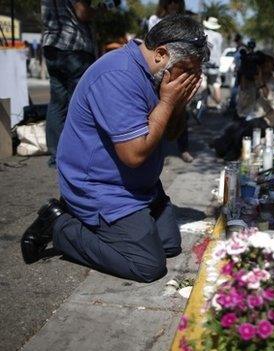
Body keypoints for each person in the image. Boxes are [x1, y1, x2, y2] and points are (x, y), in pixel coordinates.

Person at [20, 15, 206, 283]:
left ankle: (109, 224)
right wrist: (166, 103)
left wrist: (177, 104)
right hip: (101, 187)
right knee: (147, 264)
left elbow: (173, 134)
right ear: (162, 54)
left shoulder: (157, 74)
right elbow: (134, 155)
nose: (189, 78)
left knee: (169, 245)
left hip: (140, 187)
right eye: (187, 70)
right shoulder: (118, 75)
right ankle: (61, 225)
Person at [41, 0, 104, 167]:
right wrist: (98, 11)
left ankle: (55, 155)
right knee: (79, 102)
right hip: (74, 46)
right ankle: (76, 155)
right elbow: (82, 12)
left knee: (57, 102)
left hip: (52, 45)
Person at [214, 51, 274, 160]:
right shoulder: (251, 80)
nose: (265, 65)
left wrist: (261, 84)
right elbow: (241, 106)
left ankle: (233, 152)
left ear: (273, 65)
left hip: (264, 121)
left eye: (268, 62)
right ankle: (224, 147)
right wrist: (244, 84)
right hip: (246, 118)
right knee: (232, 128)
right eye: (263, 62)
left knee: (247, 129)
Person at [147, 0, 194, 163]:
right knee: (158, 109)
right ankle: (160, 151)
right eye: (170, 1)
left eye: (177, 2)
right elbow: (150, 43)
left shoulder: (185, 22)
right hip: (161, 69)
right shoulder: (155, 20)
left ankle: (184, 148)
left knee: (181, 110)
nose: (173, 5)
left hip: (180, 69)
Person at [203, 17, 224, 109]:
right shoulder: (219, 36)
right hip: (215, 65)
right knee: (216, 85)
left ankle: (204, 104)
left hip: (204, 63)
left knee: (203, 83)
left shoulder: (203, 33)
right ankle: (218, 103)